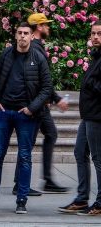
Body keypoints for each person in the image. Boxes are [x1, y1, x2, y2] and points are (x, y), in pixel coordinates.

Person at [0, 22, 53, 215]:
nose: (23, 36)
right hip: (5, 112)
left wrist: (31, 108)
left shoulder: (38, 58)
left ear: (32, 36)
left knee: (25, 157)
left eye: (26, 33)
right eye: (20, 33)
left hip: (26, 115)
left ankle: (22, 200)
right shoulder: (6, 55)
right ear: (15, 35)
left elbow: (47, 87)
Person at [12, 13, 69, 195]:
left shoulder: (36, 47)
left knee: (44, 136)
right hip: (36, 105)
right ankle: (26, 183)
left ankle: (39, 180)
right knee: (35, 139)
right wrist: (57, 99)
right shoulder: (35, 48)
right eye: (45, 25)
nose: (48, 28)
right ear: (38, 27)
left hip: (38, 103)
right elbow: (43, 81)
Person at [58, 20, 101, 216]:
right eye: (93, 33)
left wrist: (91, 83)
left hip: (97, 117)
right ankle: (82, 198)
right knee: (79, 152)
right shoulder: (96, 56)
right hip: (88, 116)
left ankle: (100, 202)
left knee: (98, 159)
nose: (95, 37)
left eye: (99, 34)